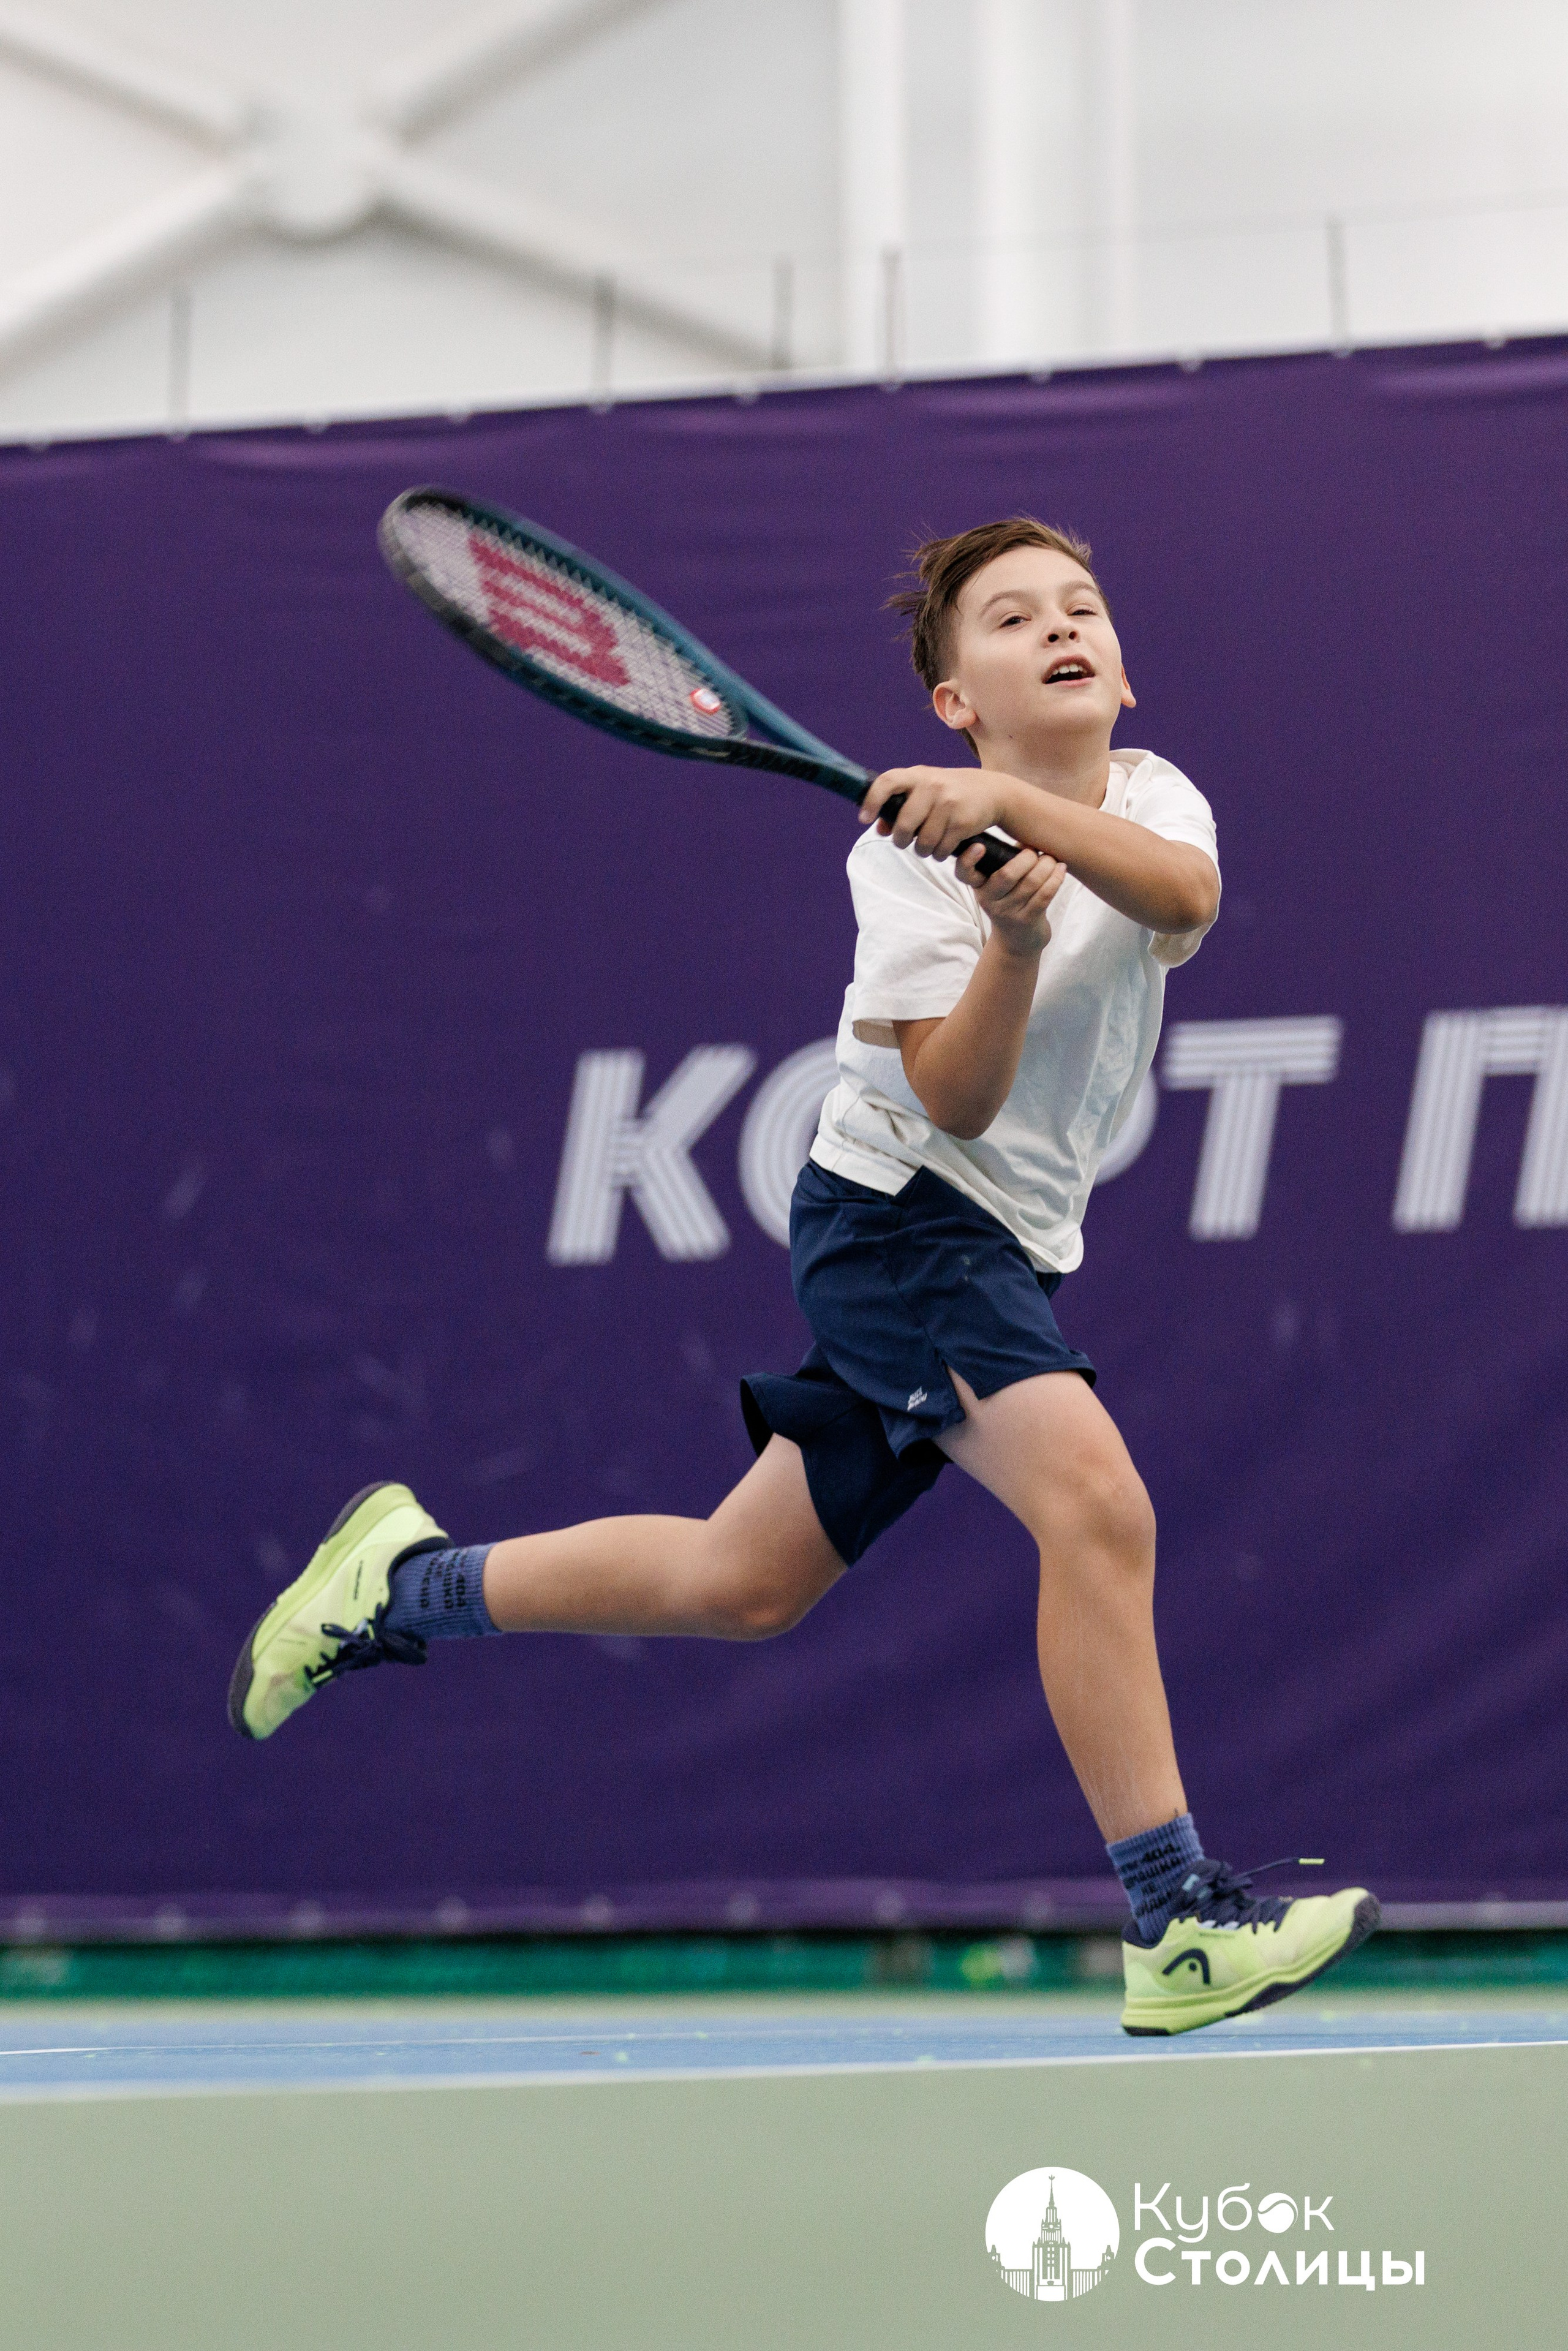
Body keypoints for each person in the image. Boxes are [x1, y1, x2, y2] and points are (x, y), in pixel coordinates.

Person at [228, 515, 1378, 2035]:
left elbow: (1182, 899)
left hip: (1006, 1242)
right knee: (1097, 1506)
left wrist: (1012, 822)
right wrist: (1009, 940)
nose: (1059, 627)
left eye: (1081, 606)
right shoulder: (899, 871)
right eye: (1011, 618)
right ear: (952, 699)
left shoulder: (1153, 801)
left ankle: (399, 1581)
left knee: (743, 1582)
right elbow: (957, 1101)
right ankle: (1173, 1914)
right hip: (902, 1219)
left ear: (1121, 665)